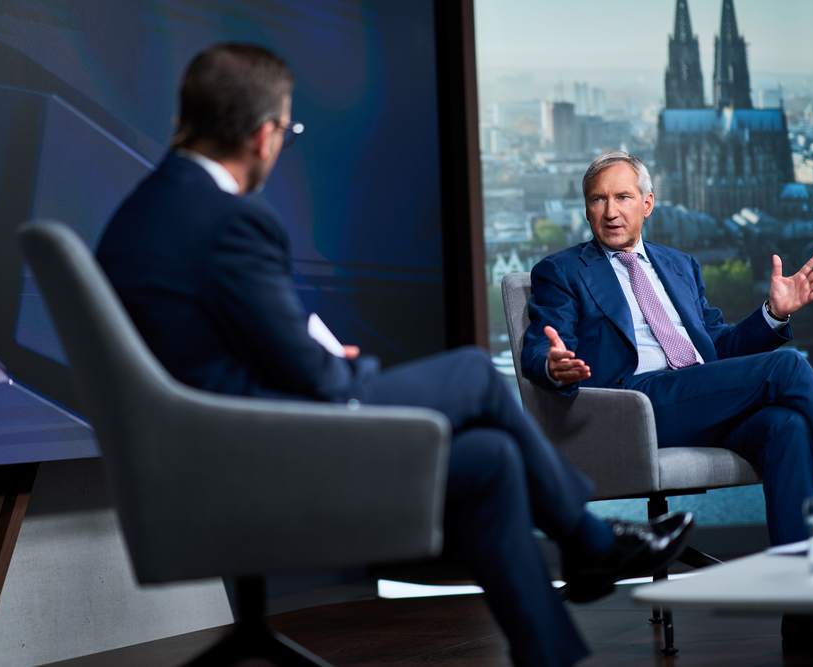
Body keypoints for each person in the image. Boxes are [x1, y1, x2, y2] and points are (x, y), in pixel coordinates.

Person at [96, 45, 695, 667]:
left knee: (490, 459)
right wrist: (342, 365)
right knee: (472, 373)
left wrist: (312, 355)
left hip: (211, 451)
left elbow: (209, 350)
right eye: (288, 133)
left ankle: (553, 650)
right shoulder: (228, 219)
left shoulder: (143, 211)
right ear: (262, 135)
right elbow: (313, 377)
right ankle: (589, 541)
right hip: (261, 453)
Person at [521, 150, 813, 658]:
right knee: (787, 367)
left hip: (698, 395)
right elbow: (538, 347)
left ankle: (807, 614)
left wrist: (773, 314)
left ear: (648, 203)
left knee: (788, 427)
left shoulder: (679, 264)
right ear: (586, 209)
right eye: (598, 200)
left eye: (622, 197)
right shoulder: (561, 271)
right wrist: (552, 365)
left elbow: (718, 349)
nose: (611, 211)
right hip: (636, 405)